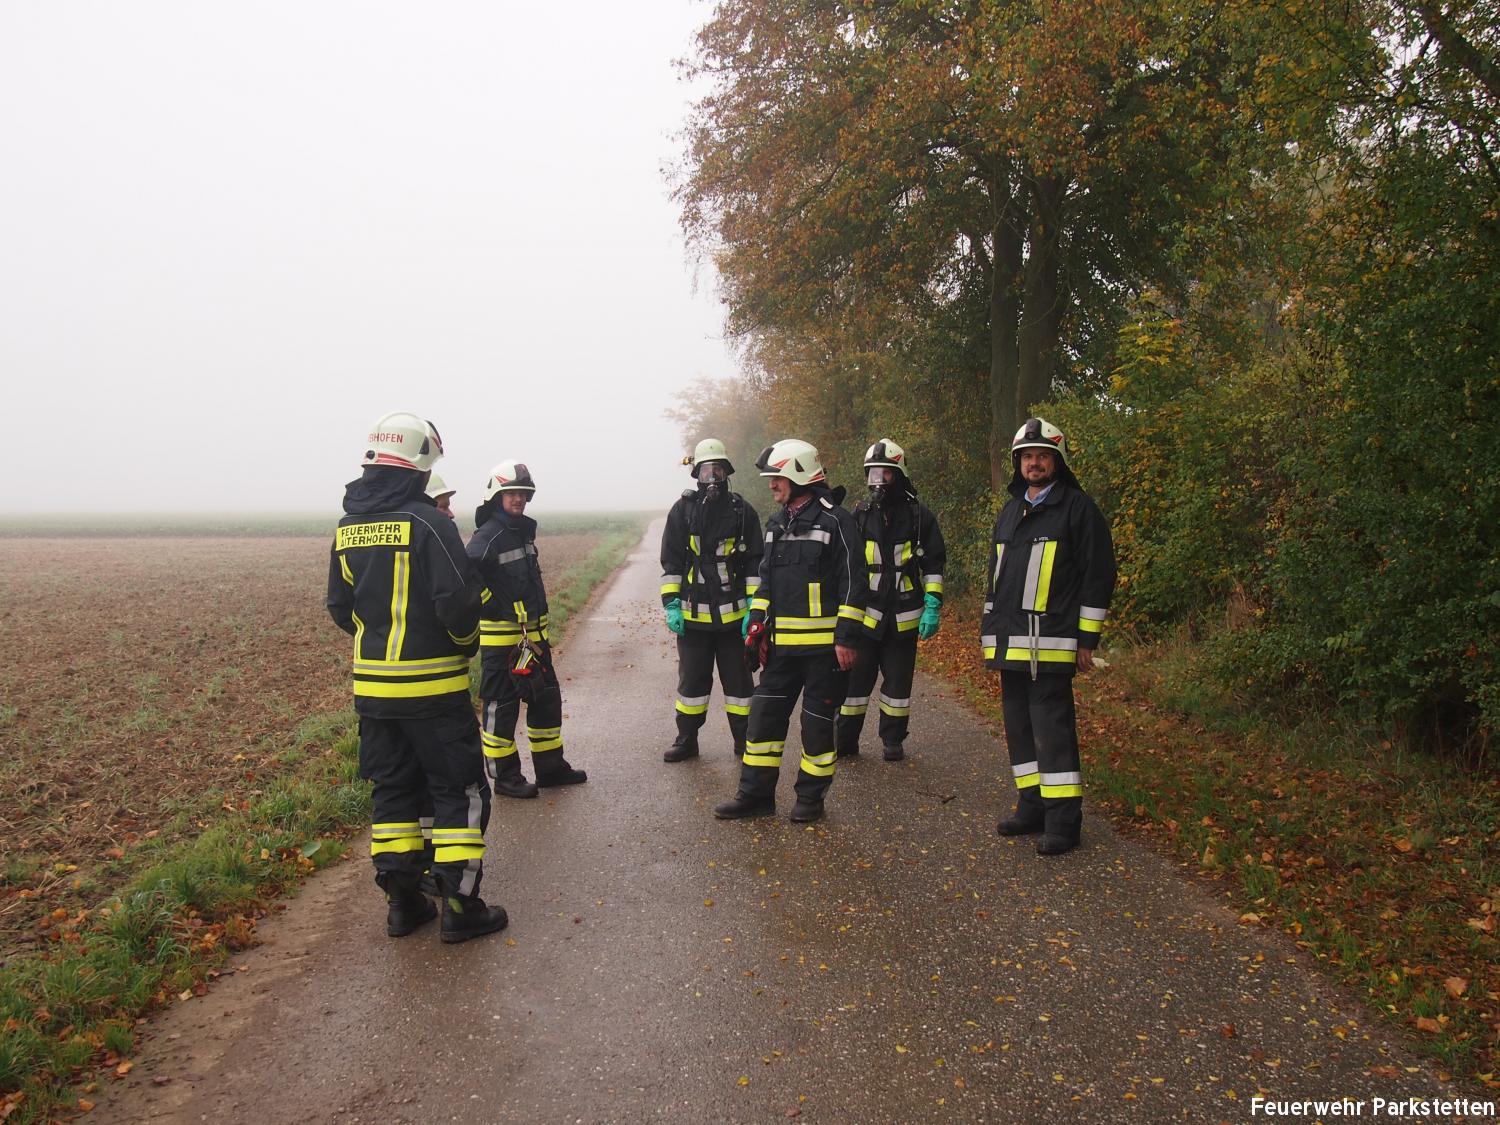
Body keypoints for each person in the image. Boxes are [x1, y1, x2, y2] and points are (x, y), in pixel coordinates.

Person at [326, 411, 508, 943]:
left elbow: (339, 607)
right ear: (418, 466)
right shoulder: (430, 524)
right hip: (434, 691)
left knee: (394, 792)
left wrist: (377, 644)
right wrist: (462, 646)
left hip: (373, 692)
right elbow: (459, 602)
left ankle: (403, 904)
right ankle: (460, 906)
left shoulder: (347, 527)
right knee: (459, 790)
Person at [981, 417, 1116, 856]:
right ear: (1018, 463)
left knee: (1052, 734)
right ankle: (1032, 807)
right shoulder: (1011, 511)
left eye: (1042, 456)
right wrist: (990, 634)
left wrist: (1087, 639)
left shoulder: (1078, 509)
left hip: (1051, 645)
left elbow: (1098, 576)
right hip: (1010, 645)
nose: (1034, 463)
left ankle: (1063, 822)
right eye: (1027, 457)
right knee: (1020, 731)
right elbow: (996, 579)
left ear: (1057, 462)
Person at [714, 439, 866, 824]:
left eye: (777, 478)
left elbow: (853, 582)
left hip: (824, 654)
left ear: (799, 476)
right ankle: (755, 796)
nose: (771, 485)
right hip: (781, 651)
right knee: (762, 720)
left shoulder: (837, 521)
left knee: (816, 728)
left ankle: (811, 799)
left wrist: (847, 637)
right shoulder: (777, 524)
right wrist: (756, 627)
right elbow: (766, 582)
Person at [467, 460, 588, 797]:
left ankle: (550, 769)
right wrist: (492, 605)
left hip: (532, 643)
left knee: (546, 703)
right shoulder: (489, 535)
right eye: (511, 493)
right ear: (496, 496)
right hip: (503, 647)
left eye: (522, 493)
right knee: (502, 711)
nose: (518, 498)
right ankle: (506, 778)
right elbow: (465, 575)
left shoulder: (520, 532)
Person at [835, 438, 947, 762]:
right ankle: (845, 740)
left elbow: (934, 564)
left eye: (885, 473)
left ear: (898, 475)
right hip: (866, 617)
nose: (878, 480)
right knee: (855, 685)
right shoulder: (859, 515)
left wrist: (933, 604)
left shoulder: (918, 517)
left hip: (903, 618)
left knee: (897, 686)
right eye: (873, 473)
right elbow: (846, 565)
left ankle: (892, 740)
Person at [659, 438, 764, 762]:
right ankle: (686, 740)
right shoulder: (682, 511)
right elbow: (672, 562)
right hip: (693, 620)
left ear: (727, 472)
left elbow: (755, 564)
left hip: (734, 621)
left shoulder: (742, 512)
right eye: (706, 471)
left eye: (718, 470)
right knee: (692, 685)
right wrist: (671, 604)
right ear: (697, 475)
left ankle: (744, 742)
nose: (713, 477)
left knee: (740, 687)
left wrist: (755, 609)